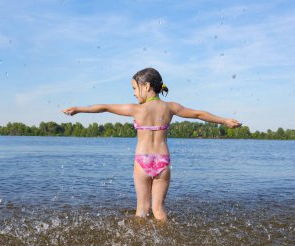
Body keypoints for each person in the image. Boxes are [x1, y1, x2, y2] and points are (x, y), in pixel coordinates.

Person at [62, 67, 241, 221]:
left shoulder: (136, 109)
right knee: (158, 210)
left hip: (142, 162)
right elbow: (198, 114)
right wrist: (224, 121)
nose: (133, 93)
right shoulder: (171, 107)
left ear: (146, 86)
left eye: (134, 88)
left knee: (141, 210)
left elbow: (104, 107)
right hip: (163, 163)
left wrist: (79, 109)